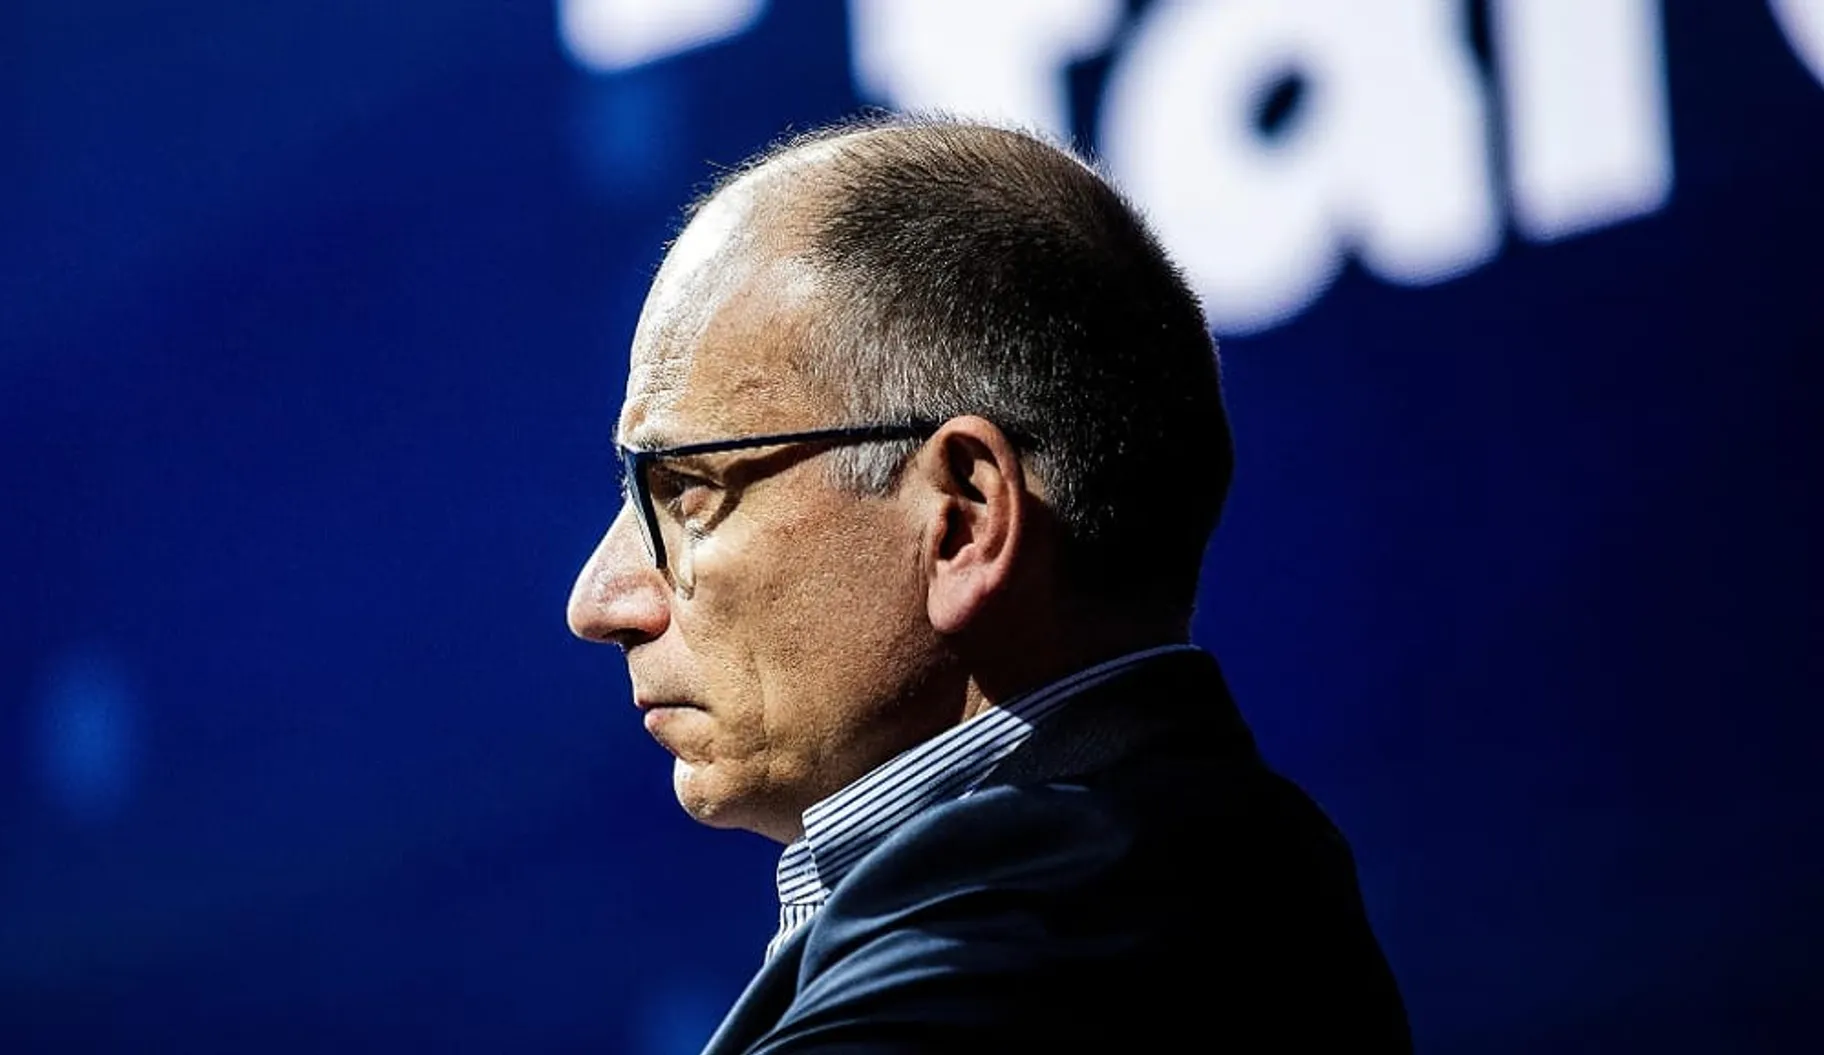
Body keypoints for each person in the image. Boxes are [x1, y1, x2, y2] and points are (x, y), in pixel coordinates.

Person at [566, 114, 1410, 1052]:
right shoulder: (1157, 878)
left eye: (683, 492)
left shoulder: (1063, 928)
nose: (599, 600)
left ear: (963, 516)